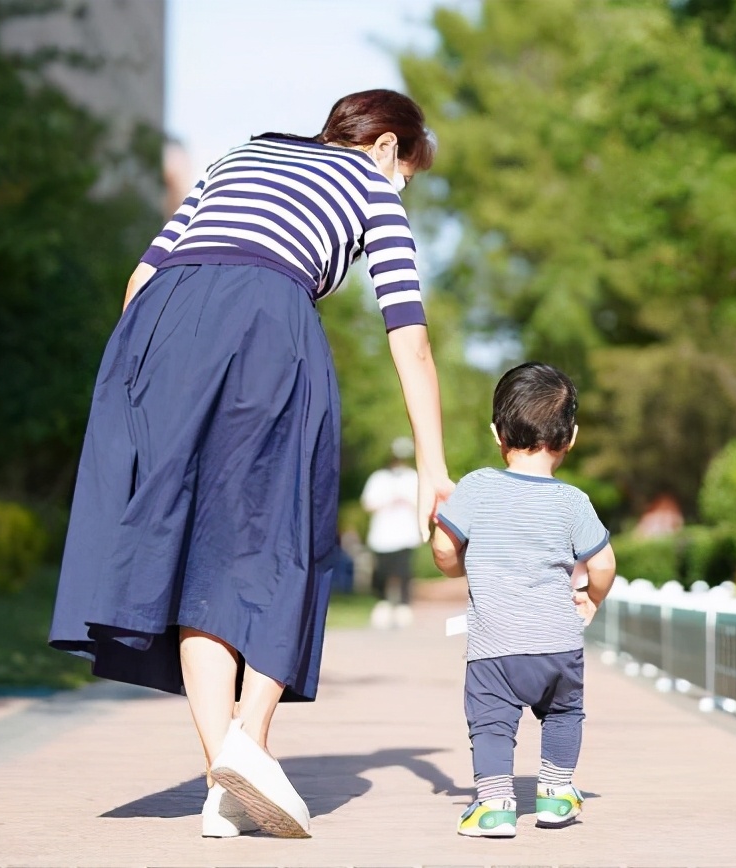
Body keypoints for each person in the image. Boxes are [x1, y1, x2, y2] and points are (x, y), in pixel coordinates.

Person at [48, 89, 453, 840]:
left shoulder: (239, 154)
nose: (405, 188)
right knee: (286, 537)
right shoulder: (371, 182)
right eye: (411, 174)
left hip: (163, 326)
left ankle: (226, 778)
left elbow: (141, 278)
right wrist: (433, 465)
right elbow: (409, 333)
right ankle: (246, 743)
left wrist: (137, 398)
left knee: (200, 554)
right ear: (391, 148)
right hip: (267, 320)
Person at [431, 362, 616, 838]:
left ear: (498, 433)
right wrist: (590, 599)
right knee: (564, 713)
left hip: (495, 647)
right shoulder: (573, 501)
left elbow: (445, 552)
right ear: (570, 437)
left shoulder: (476, 487)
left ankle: (494, 806)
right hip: (559, 643)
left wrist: (453, 555)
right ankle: (555, 795)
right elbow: (603, 565)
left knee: (491, 723)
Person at [361, 436, 422, 629]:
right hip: (383, 535)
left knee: (403, 572)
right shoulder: (379, 478)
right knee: (381, 572)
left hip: (405, 534)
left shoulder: (413, 477)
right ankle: (383, 604)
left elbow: (421, 503)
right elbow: (368, 503)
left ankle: (403, 607)